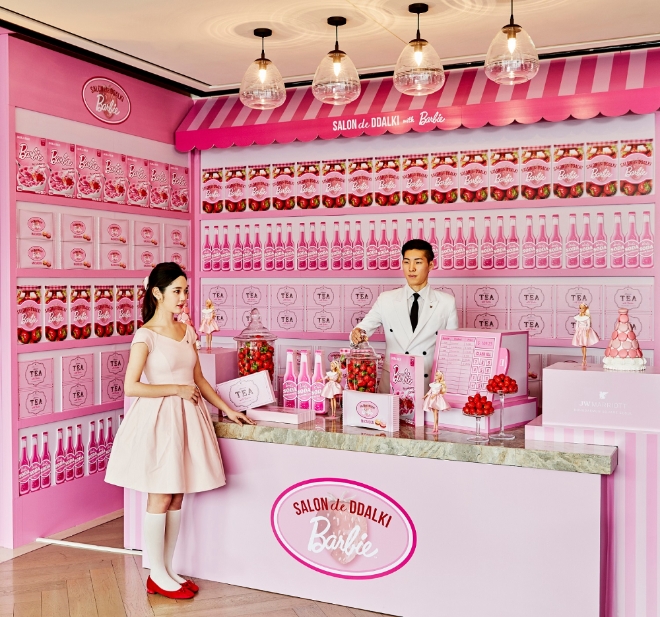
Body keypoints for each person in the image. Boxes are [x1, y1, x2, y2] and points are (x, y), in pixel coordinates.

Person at [105, 262, 255, 600]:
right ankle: (155, 573)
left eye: (185, 290)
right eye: (177, 291)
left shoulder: (186, 331)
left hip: (188, 417)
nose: (184, 297)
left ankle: (167, 569)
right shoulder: (145, 336)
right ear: (157, 293)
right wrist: (175, 389)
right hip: (160, 420)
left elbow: (199, 379)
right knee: (160, 495)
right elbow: (131, 387)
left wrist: (228, 409)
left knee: (176, 495)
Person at [350, 239, 459, 392]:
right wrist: (357, 334)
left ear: (431, 265)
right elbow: (363, 329)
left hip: (427, 386)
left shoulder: (446, 302)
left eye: (418, 262)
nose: (411, 268)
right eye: (407, 262)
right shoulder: (386, 299)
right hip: (391, 383)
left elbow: (452, 349)